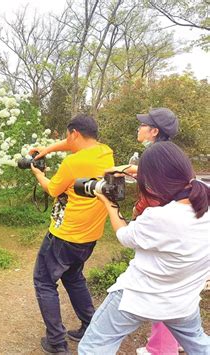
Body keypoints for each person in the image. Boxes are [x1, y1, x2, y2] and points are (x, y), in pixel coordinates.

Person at [78, 142, 210, 354]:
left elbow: (124, 235)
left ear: (151, 182)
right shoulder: (204, 197)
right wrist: (135, 171)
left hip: (138, 297)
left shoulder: (159, 217)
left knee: (94, 346)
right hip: (183, 300)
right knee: (199, 344)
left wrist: (108, 203)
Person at [30, 114, 114, 354]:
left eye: (68, 136)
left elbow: (52, 189)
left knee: (44, 282)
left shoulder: (72, 164)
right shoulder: (105, 152)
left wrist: (37, 173)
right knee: (73, 277)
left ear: (74, 133)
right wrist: (45, 150)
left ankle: (56, 342)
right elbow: (70, 145)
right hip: (89, 236)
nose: (66, 141)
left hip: (64, 236)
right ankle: (90, 325)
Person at [107, 108, 182, 354]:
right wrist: (130, 170)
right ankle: (168, 341)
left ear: (154, 131)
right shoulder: (167, 153)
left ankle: (161, 348)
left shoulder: (154, 153)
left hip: (158, 229)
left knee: (159, 286)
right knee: (171, 287)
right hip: (172, 229)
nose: (139, 128)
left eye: (143, 125)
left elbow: (156, 191)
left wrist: (139, 216)